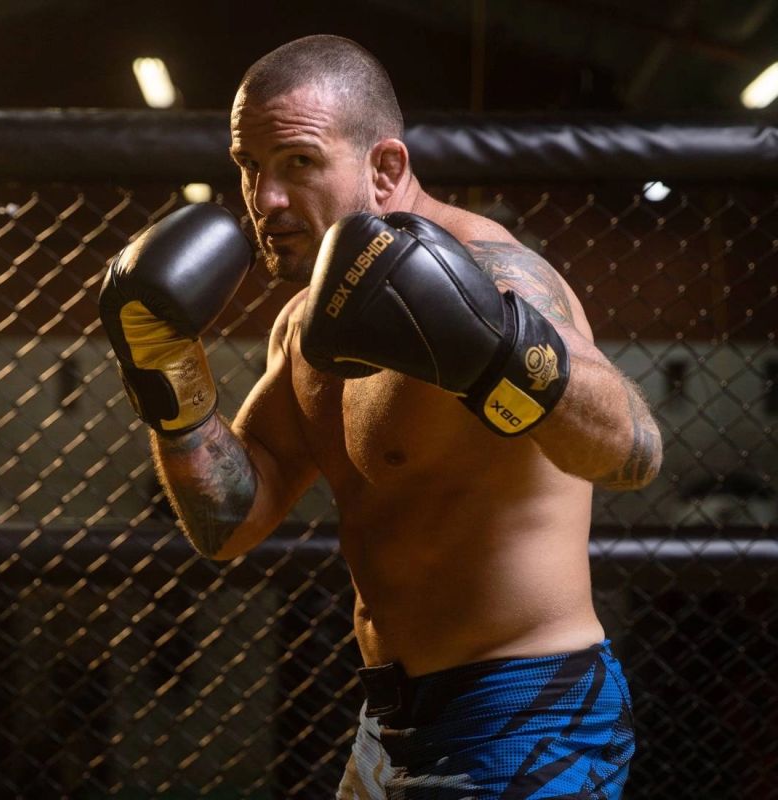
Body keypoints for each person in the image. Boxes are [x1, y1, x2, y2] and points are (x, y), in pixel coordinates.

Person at [99, 34, 662, 800]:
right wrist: (169, 386)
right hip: (390, 720)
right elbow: (232, 520)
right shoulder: (305, 326)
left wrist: (495, 348)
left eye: (298, 162)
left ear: (386, 168)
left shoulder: (491, 273)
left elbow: (634, 450)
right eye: (250, 165)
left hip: (525, 712)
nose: (265, 198)